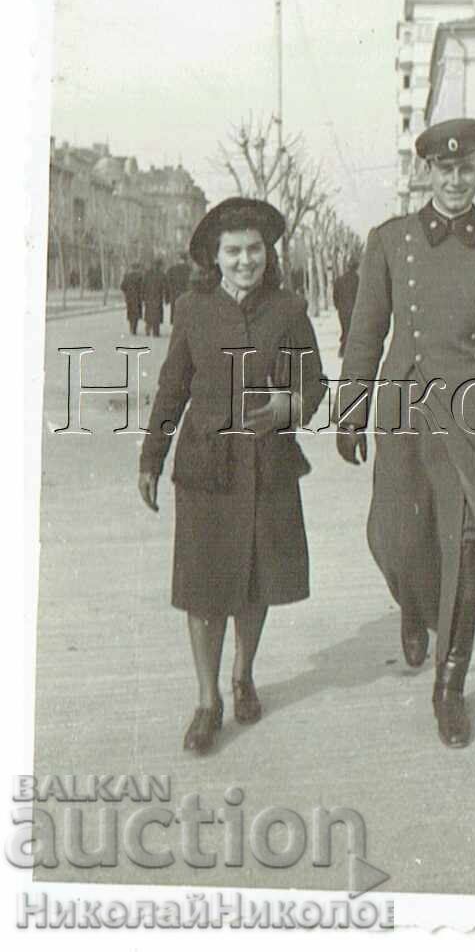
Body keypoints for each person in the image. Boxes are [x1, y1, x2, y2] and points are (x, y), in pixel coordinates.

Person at [335, 118, 475, 749]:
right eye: (444, 169)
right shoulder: (389, 241)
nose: (456, 180)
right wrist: (351, 408)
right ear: (426, 174)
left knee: (465, 547)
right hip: (406, 410)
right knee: (401, 538)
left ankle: (450, 687)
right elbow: (364, 334)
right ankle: (413, 603)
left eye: (467, 169)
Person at [138, 197, 326, 756]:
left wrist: (286, 410)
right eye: (233, 251)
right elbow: (173, 387)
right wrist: (151, 457)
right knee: (202, 589)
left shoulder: (289, 310)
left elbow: (314, 385)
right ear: (214, 258)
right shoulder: (193, 310)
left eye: (254, 250)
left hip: (267, 468)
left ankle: (243, 675)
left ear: (268, 253)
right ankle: (206, 700)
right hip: (206, 469)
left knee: (255, 582)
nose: (246, 261)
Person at [332, 254, 361, 358]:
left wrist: (337, 306)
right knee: (351, 330)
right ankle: (345, 350)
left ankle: (344, 350)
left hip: (342, 310)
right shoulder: (358, 280)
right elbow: (360, 296)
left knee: (345, 329)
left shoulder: (339, 280)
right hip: (354, 309)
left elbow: (335, 295)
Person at [142, 257, 168, 337]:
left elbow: (143, 285)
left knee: (149, 312)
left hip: (148, 296)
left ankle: (148, 327)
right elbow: (165, 287)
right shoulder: (162, 274)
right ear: (160, 265)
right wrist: (166, 297)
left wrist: (143, 296)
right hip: (157, 297)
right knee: (157, 313)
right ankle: (156, 331)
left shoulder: (147, 273)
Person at [166, 252, 191, 324]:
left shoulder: (172, 269)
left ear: (179, 259)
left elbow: (168, 283)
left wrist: (168, 295)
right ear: (186, 259)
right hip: (186, 294)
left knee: (175, 311)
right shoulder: (189, 269)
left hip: (174, 294)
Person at [120, 260, 143, 335]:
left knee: (130, 312)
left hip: (129, 297)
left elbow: (122, 286)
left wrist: (126, 292)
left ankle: (131, 327)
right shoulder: (140, 276)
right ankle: (134, 328)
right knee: (136, 313)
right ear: (138, 268)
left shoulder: (127, 276)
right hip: (138, 297)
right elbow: (142, 287)